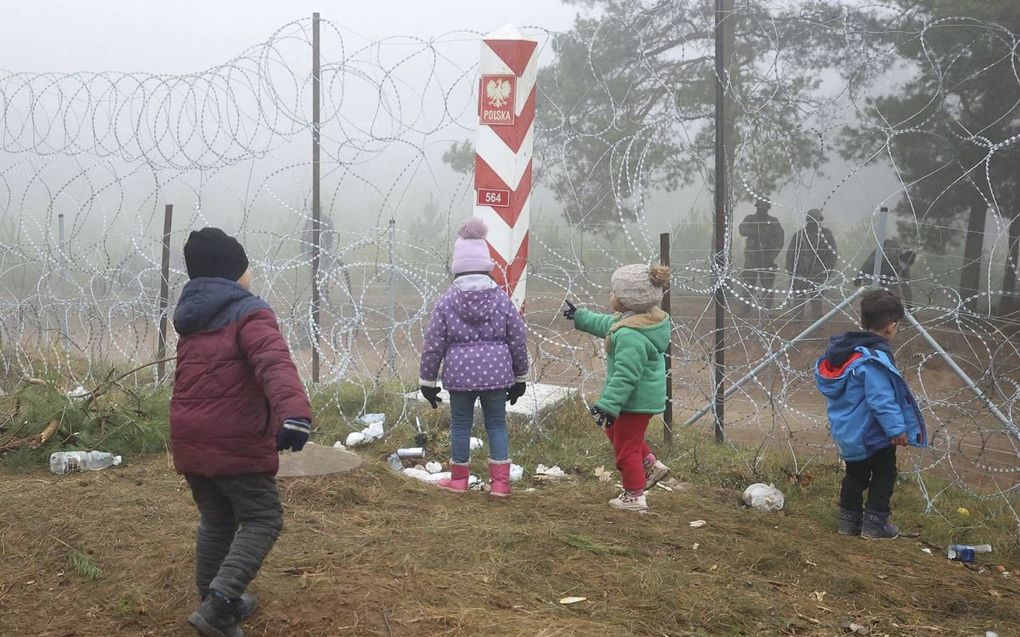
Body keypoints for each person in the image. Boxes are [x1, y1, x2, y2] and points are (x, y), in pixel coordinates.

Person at [171, 228, 313, 637]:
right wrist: (294, 414)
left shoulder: (191, 319)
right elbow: (274, 364)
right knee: (263, 518)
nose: (251, 272)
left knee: (216, 520)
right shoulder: (249, 312)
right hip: (235, 438)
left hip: (191, 439)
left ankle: (216, 600)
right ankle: (218, 606)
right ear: (232, 272)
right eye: (245, 264)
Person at [419, 218, 529, 498]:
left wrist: (428, 381)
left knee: (460, 425)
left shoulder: (446, 301)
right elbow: (517, 337)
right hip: (497, 374)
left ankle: (459, 480)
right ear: (486, 263)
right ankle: (501, 483)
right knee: (496, 423)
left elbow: (434, 343)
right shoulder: (502, 299)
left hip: (459, 375)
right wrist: (520, 377)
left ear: (457, 266)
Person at [814, 289, 927, 539]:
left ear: (863, 321)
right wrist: (896, 430)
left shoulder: (846, 354)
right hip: (873, 433)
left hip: (848, 431)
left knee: (855, 474)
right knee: (885, 473)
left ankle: (848, 521)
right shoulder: (873, 359)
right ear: (891, 326)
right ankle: (875, 523)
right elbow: (882, 401)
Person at [563, 264, 673, 513]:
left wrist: (609, 405)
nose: (610, 296)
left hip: (634, 401)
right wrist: (580, 316)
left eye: (614, 293)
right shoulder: (639, 321)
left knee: (626, 449)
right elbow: (607, 324)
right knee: (618, 434)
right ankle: (649, 464)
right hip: (639, 398)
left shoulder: (631, 336)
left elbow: (626, 376)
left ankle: (634, 496)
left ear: (627, 300)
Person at [786, 209, 838, 319]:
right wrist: (791, 270)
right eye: (812, 220)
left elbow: (832, 254)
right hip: (801, 271)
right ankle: (798, 317)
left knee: (817, 298)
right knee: (799, 297)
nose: (814, 223)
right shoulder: (799, 235)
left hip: (818, 271)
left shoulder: (826, 235)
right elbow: (791, 253)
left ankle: (817, 319)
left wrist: (827, 270)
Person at [738, 198, 785, 312]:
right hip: (751, 258)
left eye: (764, 207)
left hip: (767, 258)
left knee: (767, 284)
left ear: (768, 208)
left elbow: (780, 240)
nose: (762, 209)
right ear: (757, 207)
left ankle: (767, 308)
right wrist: (756, 232)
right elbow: (742, 230)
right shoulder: (750, 219)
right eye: (760, 207)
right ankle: (745, 308)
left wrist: (773, 255)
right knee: (748, 283)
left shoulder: (773, 221)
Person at [854, 238, 916, 307]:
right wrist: (859, 277)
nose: (904, 267)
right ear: (901, 259)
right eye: (904, 264)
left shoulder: (905, 269)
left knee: (892, 297)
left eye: (907, 266)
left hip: (887, 284)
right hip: (872, 277)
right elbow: (869, 263)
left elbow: (906, 286)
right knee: (871, 296)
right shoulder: (888, 257)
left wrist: (909, 304)